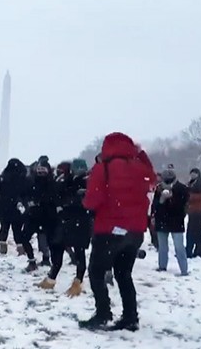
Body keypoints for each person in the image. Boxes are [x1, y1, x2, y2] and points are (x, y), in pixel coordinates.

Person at [80, 132, 155, 331]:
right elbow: (152, 179)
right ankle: (130, 316)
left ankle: (103, 313)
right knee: (124, 274)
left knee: (96, 272)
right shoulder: (140, 168)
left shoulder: (102, 168)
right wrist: (141, 154)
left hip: (109, 230)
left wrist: (85, 201)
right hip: (135, 232)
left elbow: (92, 201)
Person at [37, 159, 92, 297]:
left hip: (80, 220)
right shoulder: (68, 180)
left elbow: (86, 201)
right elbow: (58, 195)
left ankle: (77, 282)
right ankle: (51, 278)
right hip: (68, 220)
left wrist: (69, 202)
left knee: (78, 252)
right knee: (59, 248)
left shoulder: (88, 182)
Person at [151, 166, 189, 276]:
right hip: (162, 220)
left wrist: (172, 199)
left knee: (179, 247)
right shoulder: (159, 189)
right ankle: (162, 266)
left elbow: (183, 206)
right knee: (162, 246)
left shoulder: (182, 188)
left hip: (176, 221)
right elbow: (155, 205)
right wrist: (162, 200)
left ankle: (184, 270)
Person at [0, 158, 29, 256]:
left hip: (4, 207)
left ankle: (3, 247)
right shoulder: (22, 177)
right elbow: (25, 191)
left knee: (4, 228)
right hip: (17, 207)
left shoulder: (3, 176)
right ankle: (20, 248)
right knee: (17, 229)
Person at [186, 168, 201, 258]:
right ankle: (190, 249)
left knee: (196, 231)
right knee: (192, 230)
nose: (192, 175)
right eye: (191, 174)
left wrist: (189, 196)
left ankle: (197, 251)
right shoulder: (191, 183)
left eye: (194, 174)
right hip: (192, 210)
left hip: (198, 210)